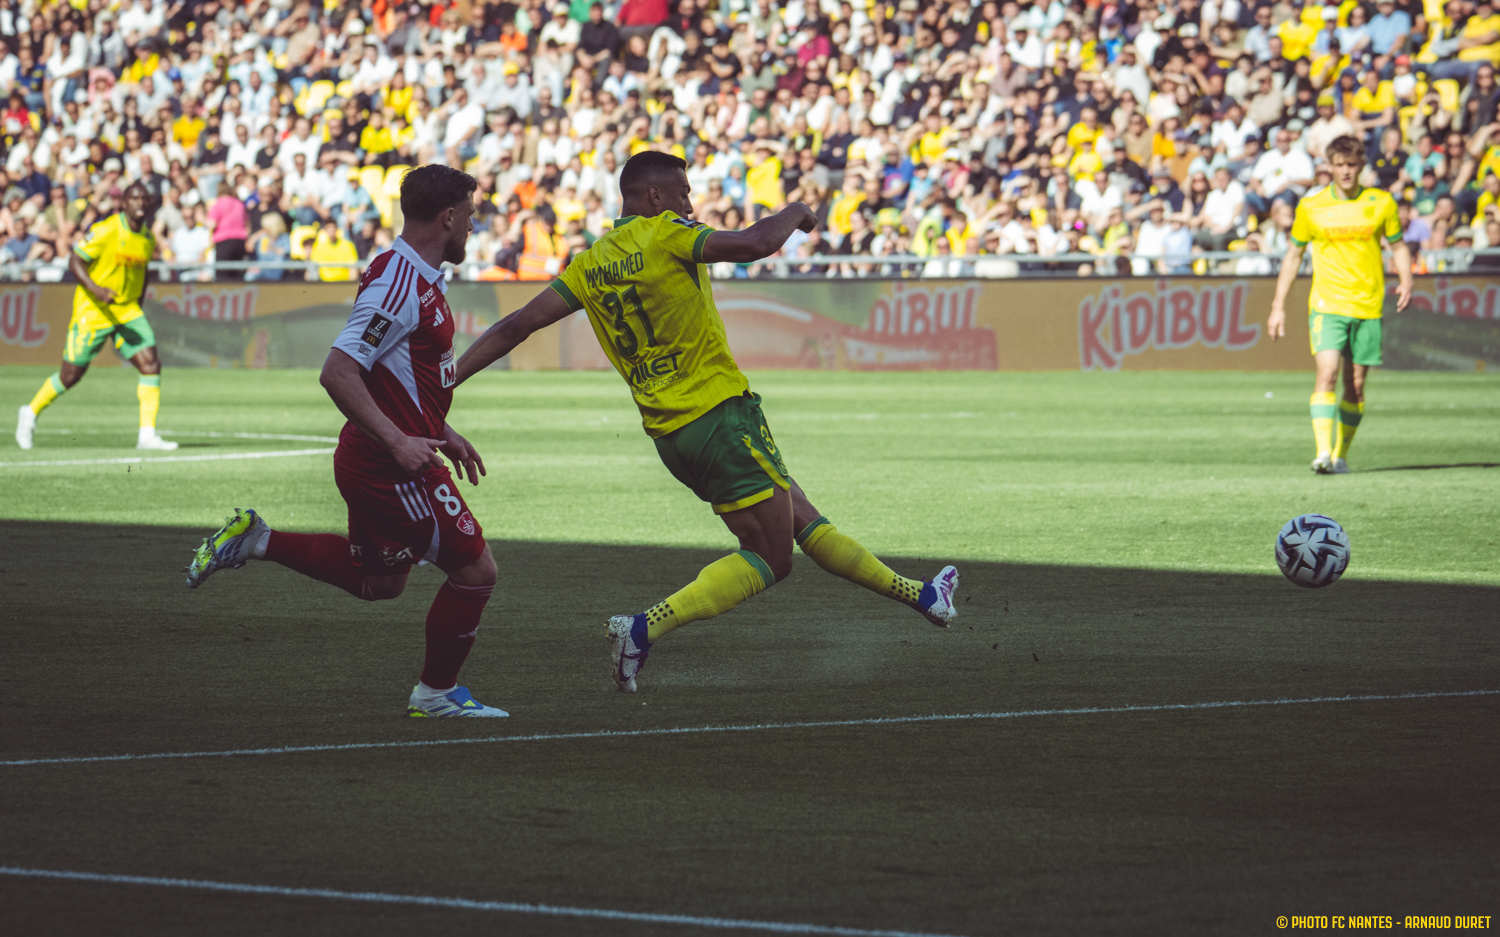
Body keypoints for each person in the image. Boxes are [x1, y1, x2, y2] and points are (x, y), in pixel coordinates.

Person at [453, 151, 959, 693]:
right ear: (655, 196)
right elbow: (754, 245)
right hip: (720, 415)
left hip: (672, 435)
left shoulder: (588, 264)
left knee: (799, 515)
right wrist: (796, 212)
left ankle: (923, 596)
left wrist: (448, 379)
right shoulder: (667, 233)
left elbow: (515, 325)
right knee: (771, 557)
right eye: (684, 192)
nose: (690, 205)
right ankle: (643, 628)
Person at [184, 165, 506, 719]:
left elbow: (393, 372)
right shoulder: (398, 285)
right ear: (448, 216)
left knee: (381, 583)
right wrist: (400, 442)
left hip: (376, 454)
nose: (474, 227)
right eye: (471, 215)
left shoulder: (413, 273)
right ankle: (436, 694)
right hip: (389, 466)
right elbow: (338, 371)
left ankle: (258, 541)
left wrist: (441, 429)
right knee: (477, 572)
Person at [1267, 136, 1413, 475]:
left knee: (1355, 385)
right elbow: (1293, 255)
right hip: (1327, 304)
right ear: (1329, 167)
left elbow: (1398, 246)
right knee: (1327, 373)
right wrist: (1278, 305)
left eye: (1351, 165)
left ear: (1360, 166)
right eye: (1339, 165)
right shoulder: (1311, 207)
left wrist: (1406, 280)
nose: (1345, 171)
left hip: (1367, 306)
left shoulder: (1381, 203)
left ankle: (1340, 454)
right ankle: (1322, 454)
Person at [15, 182, 177, 452]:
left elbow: (142, 274)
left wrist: (137, 306)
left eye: (144, 199)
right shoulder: (106, 230)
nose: (140, 202)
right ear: (123, 203)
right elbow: (75, 260)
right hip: (93, 310)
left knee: (150, 364)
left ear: (150, 204)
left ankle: (147, 436)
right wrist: (97, 290)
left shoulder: (148, 239)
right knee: (70, 375)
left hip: (126, 310)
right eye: (134, 198)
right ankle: (30, 412)